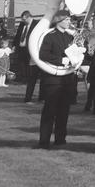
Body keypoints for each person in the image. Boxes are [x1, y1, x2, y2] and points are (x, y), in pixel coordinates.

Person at [37, 10, 79, 149]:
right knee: (50, 111)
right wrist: (61, 60)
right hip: (53, 79)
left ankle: (60, 139)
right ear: (59, 21)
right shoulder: (50, 36)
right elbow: (43, 55)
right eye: (67, 20)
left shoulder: (68, 37)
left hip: (67, 78)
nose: (69, 22)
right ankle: (44, 141)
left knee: (64, 111)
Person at [13, 11, 39, 102]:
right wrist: (14, 45)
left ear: (29, 17)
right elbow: (18, 36)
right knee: (23, 67)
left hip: (31, 51)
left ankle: (38, 97)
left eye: (24, 19)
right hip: (22, 49)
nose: (23, 21)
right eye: (22, 19)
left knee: (32, 73)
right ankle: (23, 78)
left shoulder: (36, 24)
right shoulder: (22, 24)